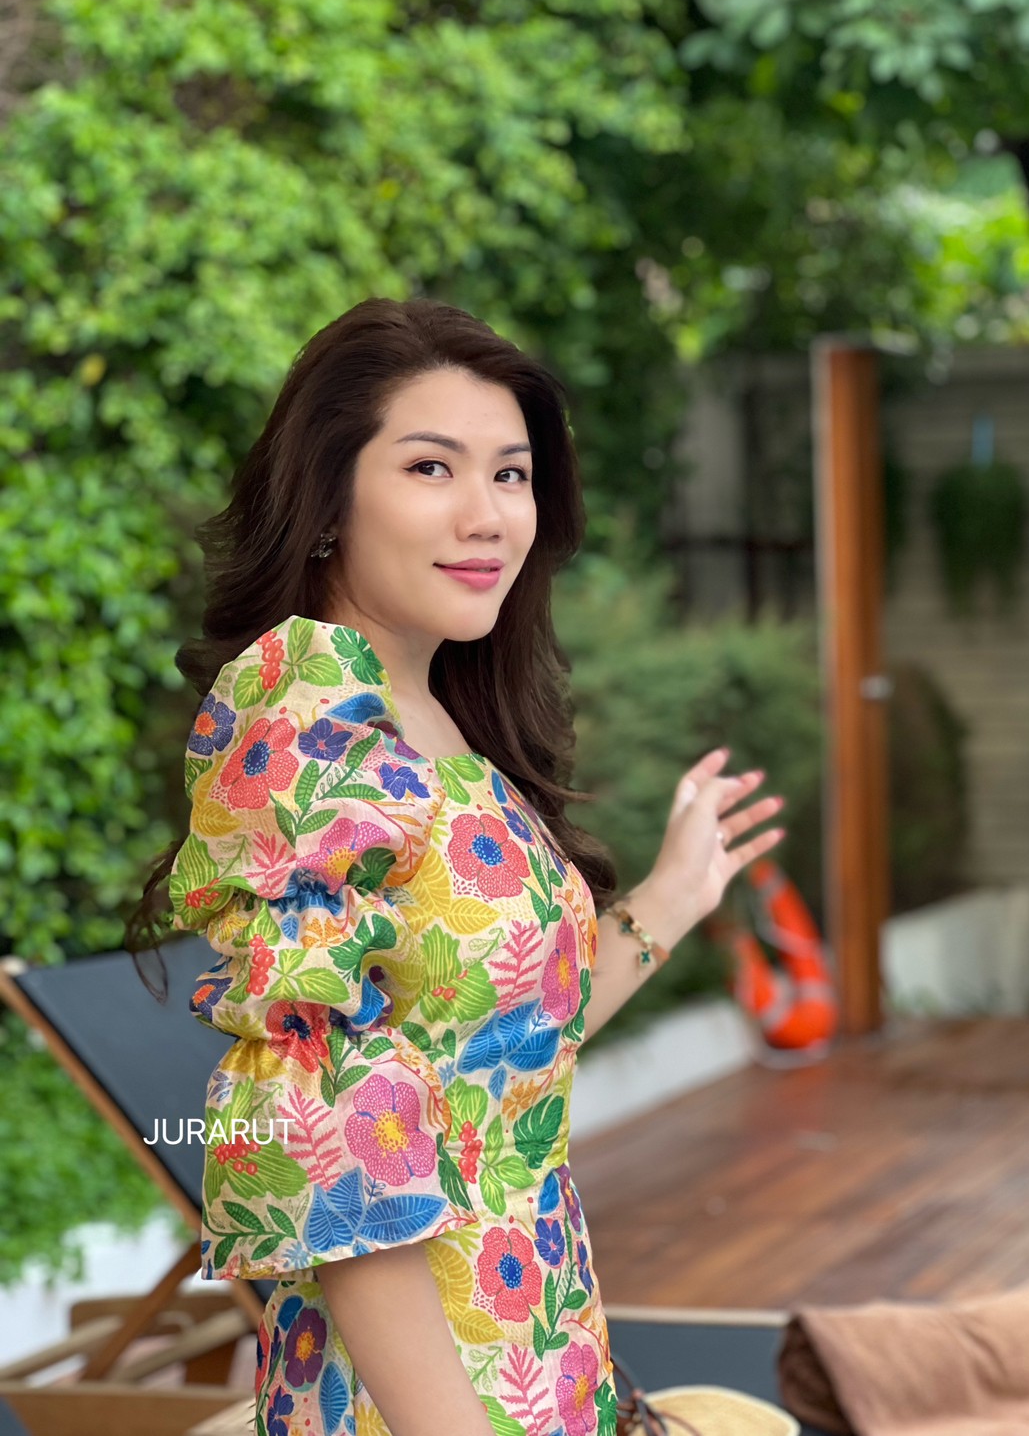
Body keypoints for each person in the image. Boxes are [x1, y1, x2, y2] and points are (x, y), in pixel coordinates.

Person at [127, 297, 786, 1436]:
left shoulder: (438, 719)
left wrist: (670, 898)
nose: (487, 516)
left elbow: (498, 1055)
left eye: (511, 474)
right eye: (430, 467)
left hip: (541, 1362)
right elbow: (329, 1140)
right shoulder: (305, 708)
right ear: (327, 497)